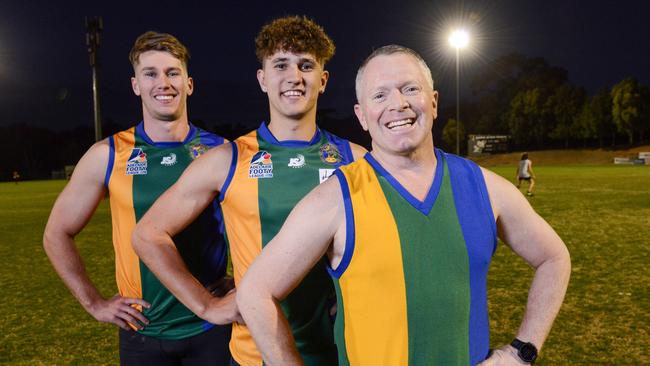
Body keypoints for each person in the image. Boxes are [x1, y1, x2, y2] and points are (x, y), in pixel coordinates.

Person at [237, 45, 571, 366]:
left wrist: (522, 351)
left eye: (410, 89)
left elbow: (554, 257)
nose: (398, 104)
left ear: (434, 102)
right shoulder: (335, 199)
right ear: (362, 116)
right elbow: (255, 293)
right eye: (380, 95)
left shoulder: (483, 186)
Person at [132, 16, 366, 366]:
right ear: (263, 78)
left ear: (323, 79)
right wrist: (206, 305)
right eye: (281, 65)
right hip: (252, 356)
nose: (294, 76)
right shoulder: (228, 159)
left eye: (306, 65)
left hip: (339, 353)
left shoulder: (356, 160)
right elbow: (148, 234)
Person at [43, 31, 235, 365]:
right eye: (151, 73)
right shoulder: (108, 155)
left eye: (173, 72)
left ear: (189, 84)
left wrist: (244, 280)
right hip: (143, 330)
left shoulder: (221, 153)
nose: (163, 83)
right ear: (136, 85)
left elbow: (258, 221)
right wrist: (94, 303)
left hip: (211, 328)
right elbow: (56, 232)